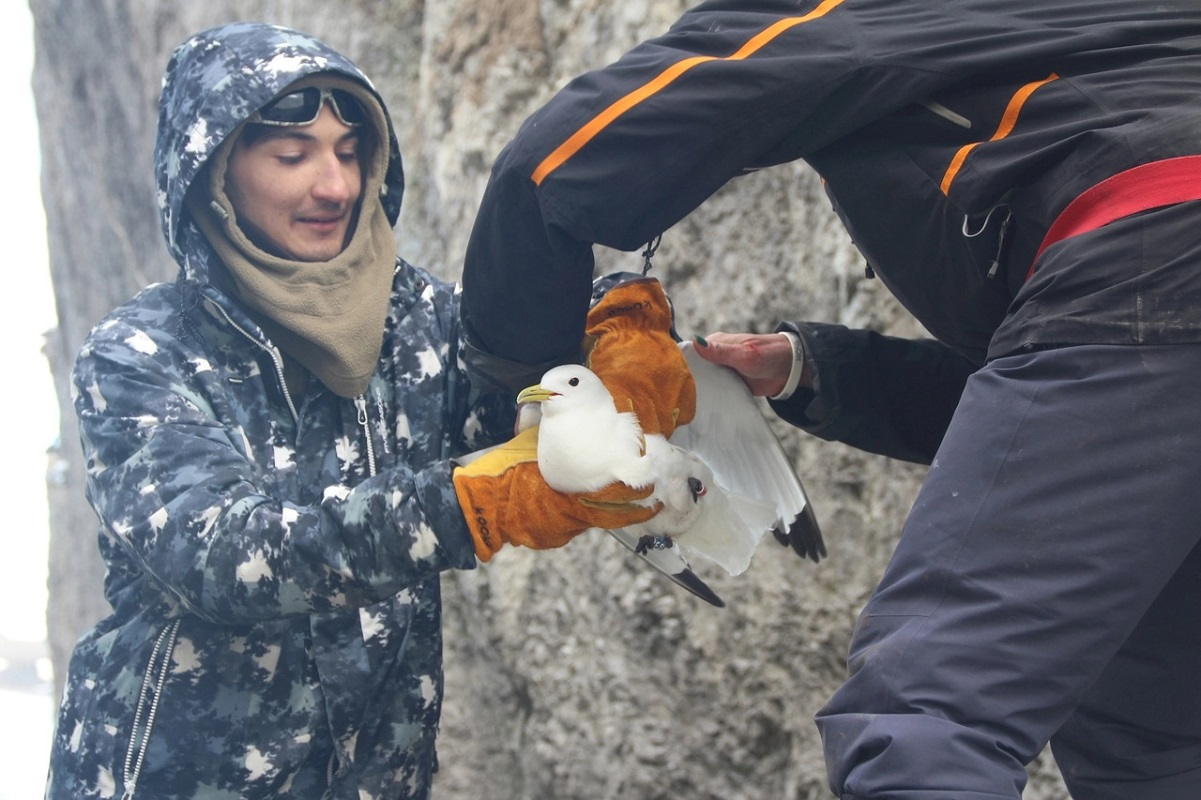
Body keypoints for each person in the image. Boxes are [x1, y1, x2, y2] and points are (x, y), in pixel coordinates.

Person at [461, 1, 1201, 797]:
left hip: (1150, 245)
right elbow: (1106, 430)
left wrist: (521, 386)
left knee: (926, 718)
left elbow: (558, 165)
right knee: (1150, 736)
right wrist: (816, 371)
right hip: (1151, 303)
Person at [45, 22, 680, 800]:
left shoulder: (413, 323)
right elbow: (223, 559)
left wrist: (618, 323)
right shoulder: (141, 355)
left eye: (349, 152)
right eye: (291, 156)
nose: (336, 186)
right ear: (214, 173)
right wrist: (468, 504)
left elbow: (514, 356)